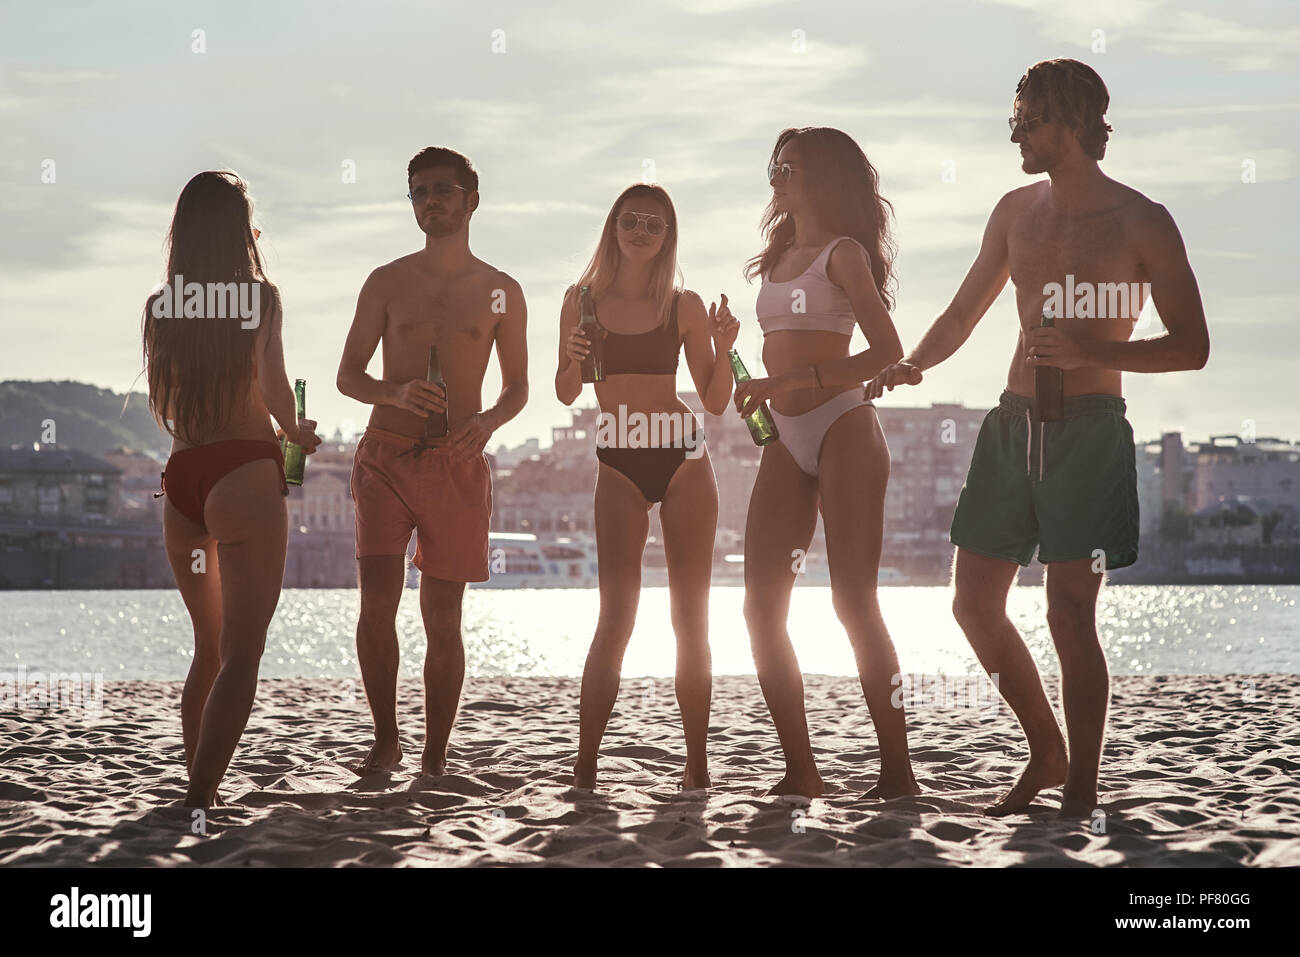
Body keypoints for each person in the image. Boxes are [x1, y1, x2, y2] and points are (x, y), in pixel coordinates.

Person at [868, 59, 1210, 817]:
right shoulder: (1014, 211)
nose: (1015, 130)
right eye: (1015, 117)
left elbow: (1192, 344)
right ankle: (1045, 749)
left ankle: (1081, 787)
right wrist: (912, 363)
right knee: (972, 603)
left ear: (1072, 121)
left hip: (1089, 434)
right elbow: (963, 314)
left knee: (1068, 612)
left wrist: (1097, 352)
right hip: (1009, 425)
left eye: (1027, 117)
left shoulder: (1141, 220)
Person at [732, 128, 919, 800]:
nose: (777, 175)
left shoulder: (844, 255)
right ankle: (801, 768)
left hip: (842, 425)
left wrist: (794, 381)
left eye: (790, 166)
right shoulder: (780, 252)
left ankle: (897, 773)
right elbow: (777, 350)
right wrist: (754, 379)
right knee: (759, 610)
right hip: (784, 434)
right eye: (774, 165)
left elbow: (888, 349)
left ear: (823, 178)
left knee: (853, 602)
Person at [336, 146, 528, 776]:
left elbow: (518, 388)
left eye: (442, 189)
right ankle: (385, 737)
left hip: (457, 462)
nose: (430, 201)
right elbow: (346, 375)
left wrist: (488, 423)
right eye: (418, 192)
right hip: (386, 457)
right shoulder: (386, 281)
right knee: (376, 606)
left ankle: (436, 755)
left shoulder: (502, 292)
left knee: (443, 616)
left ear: (471, 199)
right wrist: (392, 391)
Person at [143, 170, 321, 808]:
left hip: (184, 478)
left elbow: (167, 405)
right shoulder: (260, 299)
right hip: (244, 471)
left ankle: (201, 789)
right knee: (243, 651)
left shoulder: (162, 306)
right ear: (240, 228)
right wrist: (297, 432)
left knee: (208, 651)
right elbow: (276, 394)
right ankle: (199, 795)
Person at [557, 183, 738, 790]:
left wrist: (724, 346)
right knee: (617, 616)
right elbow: (564, 391)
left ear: (668, 236)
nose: (640, 230)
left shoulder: (682, 304)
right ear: (612, 227)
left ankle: (696, 762)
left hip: (683, 458)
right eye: (630, 220)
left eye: (653, 224)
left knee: (691, 618)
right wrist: (572, 357)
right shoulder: (580, 300)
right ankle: (585, 763)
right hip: (618, 463)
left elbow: (714, 402)